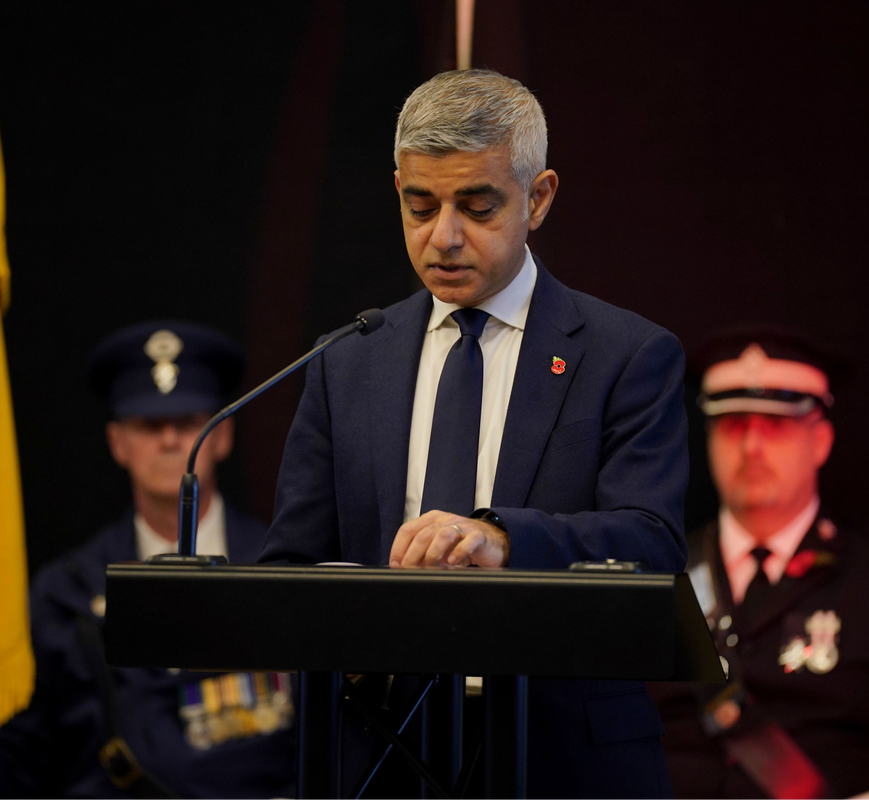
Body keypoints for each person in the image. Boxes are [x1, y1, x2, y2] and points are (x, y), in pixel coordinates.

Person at [260, 69, 689, 797]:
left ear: (539, 197)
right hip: (381, 757)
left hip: (561, 760)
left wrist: (504, 540)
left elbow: (650, 543)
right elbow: (291, 570)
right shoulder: (346, 361)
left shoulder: (626, 355)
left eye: (478, 206)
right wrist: (342, 633)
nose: (444, 237)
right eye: (419, 206)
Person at [0, 321, 296, 800]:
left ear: (221, 437)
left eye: (187, 423)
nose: (168, 441)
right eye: (147, 425)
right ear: (117, 443)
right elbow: (21, 755)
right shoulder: (66, 593)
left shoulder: (281, 566)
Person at [648, 324, 869, 800]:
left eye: (776, 425)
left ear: (820, 440)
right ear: (709, 437)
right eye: (735, 424)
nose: (752, 448)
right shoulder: (655, 572)